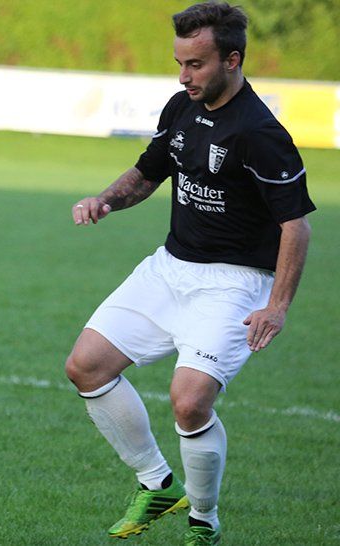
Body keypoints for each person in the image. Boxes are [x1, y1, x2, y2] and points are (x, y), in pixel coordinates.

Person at [64, 3, 314, 545]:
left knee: (189, 400)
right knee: (86, 366)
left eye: (196, 65)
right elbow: (149, 172)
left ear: (232, 60)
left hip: (235, 282)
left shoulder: (260, 132)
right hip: (170, 267)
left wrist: (277, 306)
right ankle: (156, 484)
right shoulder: (182, 106)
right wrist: (105, 200)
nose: (183, 76)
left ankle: (203, 520)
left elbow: (295, 226)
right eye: (179, 63)